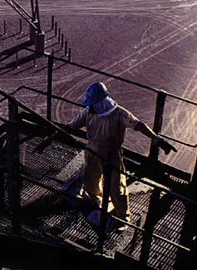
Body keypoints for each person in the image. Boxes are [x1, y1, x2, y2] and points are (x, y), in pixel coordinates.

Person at [64, 82, 176, 230]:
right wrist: (51, 135)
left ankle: (123, 217)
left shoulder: (119, 114)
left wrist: (157, 139)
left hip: (112, 154)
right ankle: (96, 201)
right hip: (92, 151)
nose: (90, 106)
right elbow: (71, 126)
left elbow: (139, 125)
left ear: (101, 103)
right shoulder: (88, 113)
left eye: (92, 103)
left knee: (117, 187)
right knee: (90, 180)